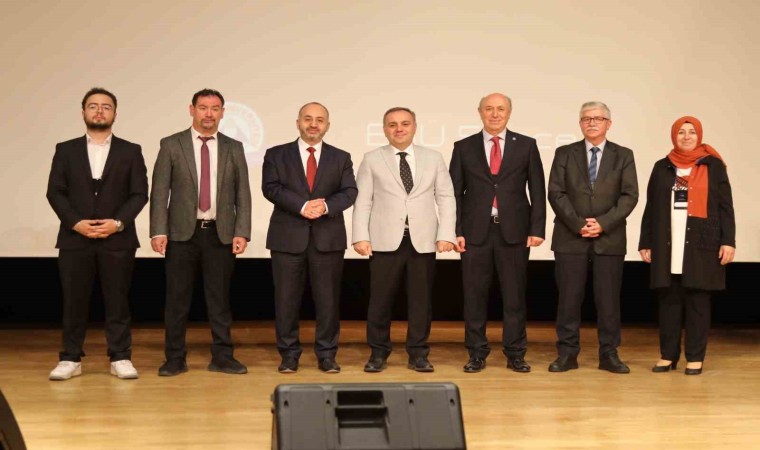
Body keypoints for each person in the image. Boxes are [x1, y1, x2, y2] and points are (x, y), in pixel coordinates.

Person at [46, 87, 148, 380]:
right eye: (93, 106)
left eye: (106, 106)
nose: (99, 111)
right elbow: (55, 192)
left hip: (117, 239)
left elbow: (139, 193)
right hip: (75, 238)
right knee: (73, 301)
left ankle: (120, 356)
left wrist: (118, 223)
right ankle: (70, 358)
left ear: (115, 113)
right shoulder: (66, 150)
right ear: (83, 112)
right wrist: (75, 222)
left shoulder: (131, 150)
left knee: (118, 300)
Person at [150, 88, 251, 377]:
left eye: (215, 108)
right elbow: (160, 192)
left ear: (222, 113)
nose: (209, 113)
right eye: (203, 107)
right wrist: (158, 231)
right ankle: (174, 358)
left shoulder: (234, 147)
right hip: (182, 234)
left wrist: (242, 231)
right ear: (191, 109)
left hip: (220, 233)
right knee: (177, 300)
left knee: (219, 300)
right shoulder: (172, 144)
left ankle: (223, 357)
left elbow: (242, 193)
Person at [352, 107, 456, 373]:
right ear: (385, 129)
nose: (399, 129)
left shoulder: (433, 158)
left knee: (421, 302)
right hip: (384, 240)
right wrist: (360, 236)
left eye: (405, 123)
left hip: (423, 240)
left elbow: (446, 198)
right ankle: (378, 353)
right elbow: (363, 201)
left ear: (414, 126)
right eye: (392, 124)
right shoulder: (372, 159)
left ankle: (418, 354)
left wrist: (446, 234)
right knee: (380, 301)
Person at [449, 93, 546, 373]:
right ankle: (476, 353)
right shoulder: (463, 147)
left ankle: (516, 353)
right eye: (489, 109)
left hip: (514, 232)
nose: (494, 114)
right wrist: (455, 230)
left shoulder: (526, 145)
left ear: (509, 112)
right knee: (474, 297)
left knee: (514, 297)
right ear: (480, 112)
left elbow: (537, 189)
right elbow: (453, 193)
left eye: (500, 109)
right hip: (474, 233)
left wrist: (537, 228)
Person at [262, 102, 357, 374]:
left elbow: (349, 191)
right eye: (308, 119)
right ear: (298, 123)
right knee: (286, 300)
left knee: (328, 301)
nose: (313, 124)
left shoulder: (341, 157)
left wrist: (324, 206)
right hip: (287, 239)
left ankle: (327, 355)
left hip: (328, 239)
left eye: (319, 120)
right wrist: (303, 206)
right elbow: (271, 187)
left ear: (327, 125)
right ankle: (289, 354)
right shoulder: (276, 154)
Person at [547, 101, 638, 374]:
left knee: (608, 301)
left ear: (609, 124)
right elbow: (556, 192)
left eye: (598, 118)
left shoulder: (624, 155)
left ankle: (609, 354)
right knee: (568, 300)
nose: (592, 122)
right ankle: (567, 354)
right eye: (586, 118)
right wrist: (578, 224)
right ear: (580, 123)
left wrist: (602, 224)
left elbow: (629, 195)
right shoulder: (565, 153)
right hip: (569, 237)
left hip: (609, 238)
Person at [639, 116, 735, 375]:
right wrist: (646, 241)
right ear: (674, 136)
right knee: (668, 302)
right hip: (668, 242)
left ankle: (695, 357)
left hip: (702, 243)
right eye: (681, 132)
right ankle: (667, 355)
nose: (686, 136)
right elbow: (651, 207)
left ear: (699, 135)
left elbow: (725, 207)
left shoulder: (713, 166)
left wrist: (728, 241)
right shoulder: (662, 166)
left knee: (697, 303)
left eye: (692, 132)